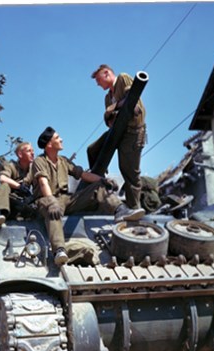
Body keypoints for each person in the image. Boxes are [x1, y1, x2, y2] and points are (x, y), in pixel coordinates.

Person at [32, 126, 145, 266]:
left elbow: (83, 175)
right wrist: (51, 201)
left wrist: (102, 180)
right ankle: (59, 250)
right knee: (53, 212)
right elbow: (43, 183)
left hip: (66, 199)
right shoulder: (39, 162)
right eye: (57, 138)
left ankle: (120, 210)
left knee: (98, 188)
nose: (61, 139)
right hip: (45, 199)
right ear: (49, 144)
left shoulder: (63, 161)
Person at [88, 64, 146, 214]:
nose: (98, 84)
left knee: (129, 171)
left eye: (98, 80)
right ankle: (101, 184)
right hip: (116, 131)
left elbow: (131, 100)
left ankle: (134, 208)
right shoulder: (108, 97)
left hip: (132, 132)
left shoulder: (122, 78)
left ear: (107, 74)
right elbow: (108, 119)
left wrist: (114, 108)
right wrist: (114, 109)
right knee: (92, 150)